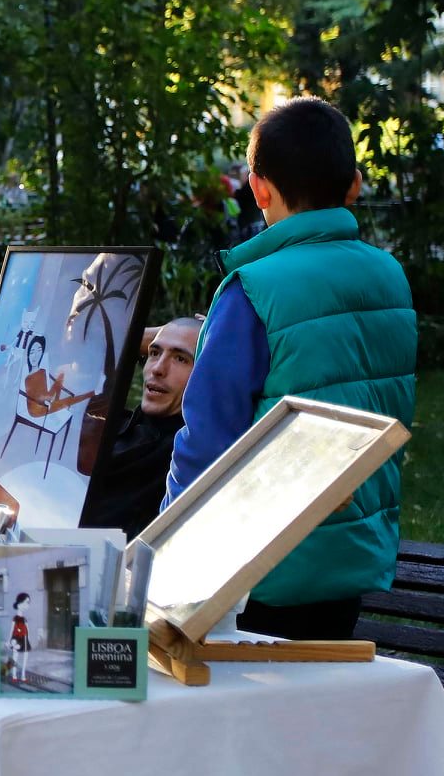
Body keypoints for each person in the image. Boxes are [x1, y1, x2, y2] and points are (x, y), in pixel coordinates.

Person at [165, 97, 415, 641]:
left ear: (259, 189)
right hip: (350, 557)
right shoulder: (390, 278)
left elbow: (207, 442)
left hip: (257, 569)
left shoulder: (253, 289)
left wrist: (162, 560)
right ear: (353, 184)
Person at [79, 315, 202, 538]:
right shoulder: (107, 422)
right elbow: (86, 339)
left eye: (180, 359)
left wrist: (218, 332)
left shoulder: (186, 455)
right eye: (154, 353)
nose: (158, 369)